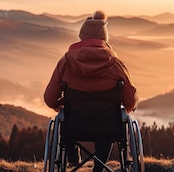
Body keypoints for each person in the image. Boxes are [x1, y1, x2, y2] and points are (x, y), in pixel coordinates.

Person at [43, 10, 138, 172]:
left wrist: (60, 104)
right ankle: (99, 167)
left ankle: (73, 159)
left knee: (65, 120)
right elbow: (131, 100)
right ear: (104, 38)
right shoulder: (116, 64)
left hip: (74, 126)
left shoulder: (65, 62)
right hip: (108, 127)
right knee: (107, 124)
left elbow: (49, 98)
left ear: (82, 36)